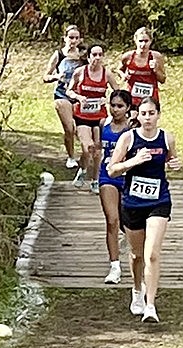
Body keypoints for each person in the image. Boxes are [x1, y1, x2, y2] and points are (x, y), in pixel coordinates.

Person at [107, 96, 181, 323]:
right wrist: (133, 161)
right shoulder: (128, 138)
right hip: (133, 203)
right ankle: (137, 290)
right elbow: (112, 170)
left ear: (158, 115)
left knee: (152, 254)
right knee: (137, 255)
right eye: (143, 114)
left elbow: (172, 161)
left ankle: (150, 305)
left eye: (151, 113)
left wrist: (177, 164)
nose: (148, 118)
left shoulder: (166, 138)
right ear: (137, 116)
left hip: (159, 201)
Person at [67, 43, 120, 194]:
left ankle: (95, 180)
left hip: (100, 117)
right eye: (94, 55)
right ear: (88, 57)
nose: (97, 58)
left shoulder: (107, 74)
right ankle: (83, 168)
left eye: (100, 55)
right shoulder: (80, 72)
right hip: (82, 115)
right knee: (87, 148)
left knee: (97, 151)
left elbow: (119, 94)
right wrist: (78, 97)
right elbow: (69, 91)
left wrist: (108, 100)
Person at [98, 89, 133, 284]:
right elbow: (98, 147)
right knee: (112, 220)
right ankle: (115, 266)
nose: (115, 109)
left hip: (128, 178)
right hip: (108, 177)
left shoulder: (132, 129)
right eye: (113, 105)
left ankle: (135, 251)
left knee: (129, 221)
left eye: (120, 106)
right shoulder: (103, 124)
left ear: (128, 108)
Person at [42, 25, 84, 169]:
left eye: (76, 38)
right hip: (62, 94)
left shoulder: (83, 55)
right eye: (71, 37)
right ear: (64, 38)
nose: (73, 41)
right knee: (69, 128)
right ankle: (71, 157)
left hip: (79, 95)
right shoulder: (58, 54)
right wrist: (55, 77)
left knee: (83, 128)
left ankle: (86, 157)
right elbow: (45, 77)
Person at [119, 27, 166, 109]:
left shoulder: (156, 57)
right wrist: (123, 75)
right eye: (140, 41)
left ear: (151, 41)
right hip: (132, 99)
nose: (143, 44)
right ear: (135, 41)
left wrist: (156, 70)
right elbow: (119, 70)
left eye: (146, 41)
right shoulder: (128, 56)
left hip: (150, 100)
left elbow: (162, 79)